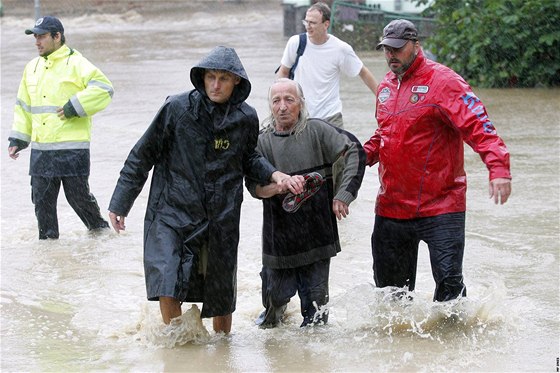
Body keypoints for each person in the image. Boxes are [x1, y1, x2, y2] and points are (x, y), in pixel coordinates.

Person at [108, 47, 302, 334]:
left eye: (223, 79)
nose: (215, 85)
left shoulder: (246, 117)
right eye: (210, 77)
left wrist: (274, 174)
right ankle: (179, 347)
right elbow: (142, 155)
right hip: (171, 211)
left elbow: (248, 157)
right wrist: (120, 203)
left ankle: (223, 352)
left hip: (220, 214)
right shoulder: (176, 109)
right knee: (167, 280)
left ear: (237, 81)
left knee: (220, 289)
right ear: (201, 78)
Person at [363, 19, 512, 302]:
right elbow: (384, 137)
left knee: (449, 290)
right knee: (389, 296)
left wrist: (499, 168)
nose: (391, 55)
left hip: (442, 205)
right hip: (392, 206)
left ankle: (453, 344)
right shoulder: (385, 86)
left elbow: (480, 126)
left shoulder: (445, 81)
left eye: (398, 49)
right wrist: (355, 158)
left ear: (416, 46)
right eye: (386, 49)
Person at [246, 78, 366, 328]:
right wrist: (277, 186)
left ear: (301, 103)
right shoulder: (261, 142)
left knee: (316, 320)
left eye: (289, 99)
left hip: (317, 237)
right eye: (276, 100)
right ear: (270, 106)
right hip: (279, 242)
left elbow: (354, 149)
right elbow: (253, 188)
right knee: (271, 316)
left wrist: (344, 194)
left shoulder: (317, 131)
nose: (282, 106)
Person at [8, 16, 113, 240]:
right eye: (35, 36)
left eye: (42, 36)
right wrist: (18, 139)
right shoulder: (31, 68)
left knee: (79, 200)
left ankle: (103, 238)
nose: (37, 41)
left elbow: (105, 89)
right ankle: (49, 256)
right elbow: (24, 107)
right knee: (42, 207)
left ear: (57, 37)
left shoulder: (77, 63)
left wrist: (75, 106)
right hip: (41, 153)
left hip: (72, 151)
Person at [276, 1, 377, 127]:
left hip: (331, 117)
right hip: (300, 116)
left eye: (312, 23)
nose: (308, 26)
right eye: (306, 22)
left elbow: (363, 71)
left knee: (340, 147)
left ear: (326, 24)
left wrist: (381, 99)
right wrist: (280, 102)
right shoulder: (296, 43)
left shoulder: (340, 49)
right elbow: (284, 72)